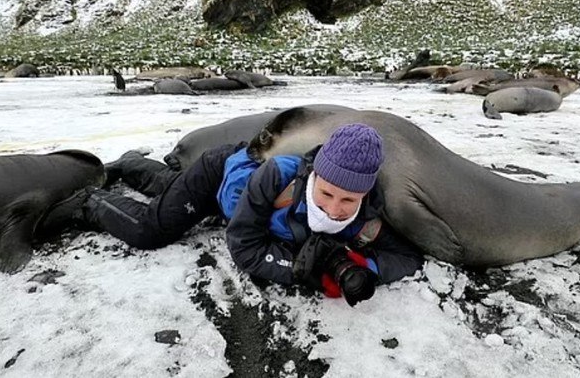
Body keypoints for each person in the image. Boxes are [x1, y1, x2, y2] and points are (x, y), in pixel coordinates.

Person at [45, 123, 423, 306]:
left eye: (348, 200)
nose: (334, 208)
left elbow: (407, 257)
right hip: (219, 176)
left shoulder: (368, 215)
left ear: (365, 194)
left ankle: (131, 164)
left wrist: (364, 266)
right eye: (326, 193)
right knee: (150, 229)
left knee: (166, 189)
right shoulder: (278, 176)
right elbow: (243, 245)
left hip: (236, 203)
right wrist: (295, 269)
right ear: (315, 174)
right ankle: (89, 200)